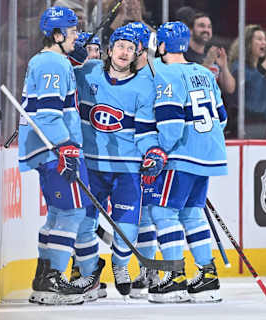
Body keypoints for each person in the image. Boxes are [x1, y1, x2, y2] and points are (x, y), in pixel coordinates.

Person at [73, 25, 163, 298]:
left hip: (127, 169)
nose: (125, 51)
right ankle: (89, 276)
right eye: (120, 46)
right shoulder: (87, 73)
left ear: (137, 53)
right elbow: (61, 78)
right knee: (82, 224)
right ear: (109, 50)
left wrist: (153, 153)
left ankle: (120, 264)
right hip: (91, 166)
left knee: (128, 228)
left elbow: (146, 131)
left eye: (131, 47)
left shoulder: (143, 86)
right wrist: (72, 56)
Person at [19, 6, 98, 306]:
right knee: (73, 213)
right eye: (73, 31)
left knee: (57, 213)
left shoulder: (50, 60)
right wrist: (65, 147)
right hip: (55, 149)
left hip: (48, 149)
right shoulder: (52, 63)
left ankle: (44, 278)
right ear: (57, 34)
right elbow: (50, 114)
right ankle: (52, 279)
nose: (76, 36)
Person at [145, 21, 228, 304]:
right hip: (208, 156)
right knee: (191, 214)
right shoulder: (204, 73)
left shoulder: (165, 74)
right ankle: (206, 275)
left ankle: (174, 277)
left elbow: (171, 124)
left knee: (163, 213)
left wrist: (158, 151)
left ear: (163, 46)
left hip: (180, 157)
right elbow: (223, 118)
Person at [120, 21, 161, 299]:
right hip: (122, 156)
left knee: (148, 214)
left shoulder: (156, 76)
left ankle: (150, 269)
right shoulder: (121, 73)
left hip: (147, 154)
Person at [228, 24, 266, 138]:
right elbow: (252, 82)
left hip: (261, 124)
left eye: (265, 40)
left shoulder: (264, 69)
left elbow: (264, 100)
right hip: (243, 123)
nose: (264, 43)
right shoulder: (238, 66)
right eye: (259, 39)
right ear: (248, 43)